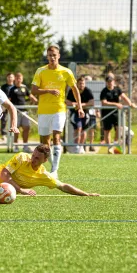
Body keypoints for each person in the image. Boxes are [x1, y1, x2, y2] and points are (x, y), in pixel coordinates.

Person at [31, 45, 83, 176]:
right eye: (50, 55)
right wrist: (48, 90)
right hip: (43, 111)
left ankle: (54, 170)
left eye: (54, 55)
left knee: (56, 137)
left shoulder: (66, 72)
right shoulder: (40, 71)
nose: (52, 57)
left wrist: (80, 106)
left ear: (58, 56)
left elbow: (75, 89)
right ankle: (51, 165)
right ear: (47, 56)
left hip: (59, 109)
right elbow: (33, 90)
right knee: (44, 143)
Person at [100, 75, 136, 154]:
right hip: (107, 113)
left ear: (114, 82)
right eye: (108, 82)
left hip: (116, 113)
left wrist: (130, 104)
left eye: (111, 81)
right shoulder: (104, 91)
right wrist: (115, 104)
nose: (110, 83)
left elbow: (124, 97)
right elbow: (104, 102)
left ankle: (115, 145)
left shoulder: (117, 89)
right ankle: (109, 148)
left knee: (119, 129)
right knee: (107, 131)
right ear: (106, 83)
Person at [8, 72, 37, 153]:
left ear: (22, 79)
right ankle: (16, 146)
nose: (18, 80)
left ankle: (25, 146)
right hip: (16, 112)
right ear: (15, 79)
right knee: (16, 129)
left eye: (20, 78)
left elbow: (30, 96)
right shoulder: (12, 89)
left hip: (24, 112)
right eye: (17, 78)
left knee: (26, 128)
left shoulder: (24, 87)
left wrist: (36, 101)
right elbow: (9, 100)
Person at [68, 76, 95, 154]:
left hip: (85, 113)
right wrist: (74, 104)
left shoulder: (88, 91)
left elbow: (92, 102)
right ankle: (76, 146)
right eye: (80, 83)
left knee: (83, 130)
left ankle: (81, 146)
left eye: (83, 83)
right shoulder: (72, 90)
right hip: (75, 114)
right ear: (77, 84)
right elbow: (67, 101)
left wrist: (80, 105)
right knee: (78, 128)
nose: (81, 85)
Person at [0, 72, 15, 138]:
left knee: (13, 118)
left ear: (13, 78)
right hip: (5, 105)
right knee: (4, 119)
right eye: (8, 77)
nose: (10, 78)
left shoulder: (15, 86)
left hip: (14, 106)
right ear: (7, 78)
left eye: (11, 77)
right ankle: (4, 134)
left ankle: (12, 133)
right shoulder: (3, 87)